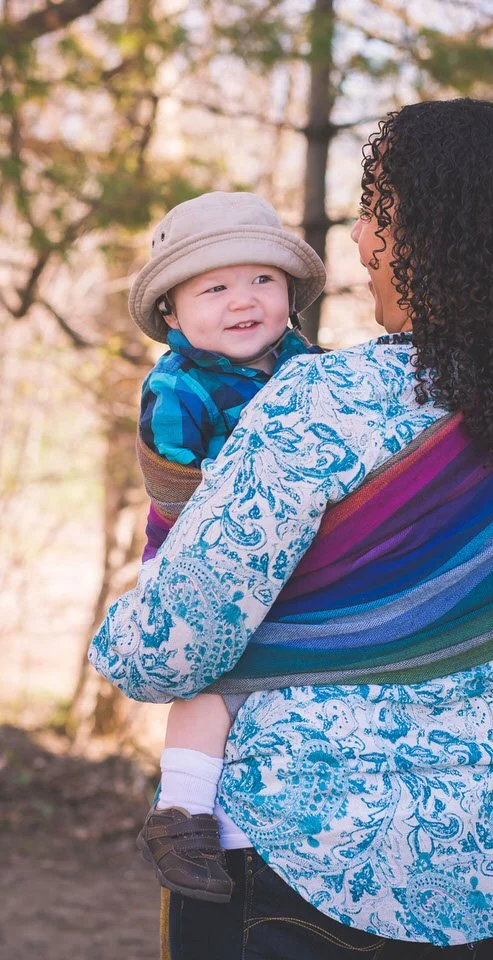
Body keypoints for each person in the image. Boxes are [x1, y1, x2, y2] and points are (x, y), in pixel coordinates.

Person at [91, 99, 493, 958]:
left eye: (382, 217)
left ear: (440, 238)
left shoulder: (323, 400)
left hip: (308, 855)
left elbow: (163, 653)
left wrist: (131, 623)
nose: (361, 242)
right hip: (491, 864)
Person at [128, 191, 325, 902]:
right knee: (214, 677)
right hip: (199, 548)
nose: (243, 300)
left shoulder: (309, 367)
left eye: (262, 281)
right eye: (215, 287)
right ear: (173, 315)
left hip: (297, 552)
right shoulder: (178, 387)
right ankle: (180, 811)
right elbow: (185, 496)